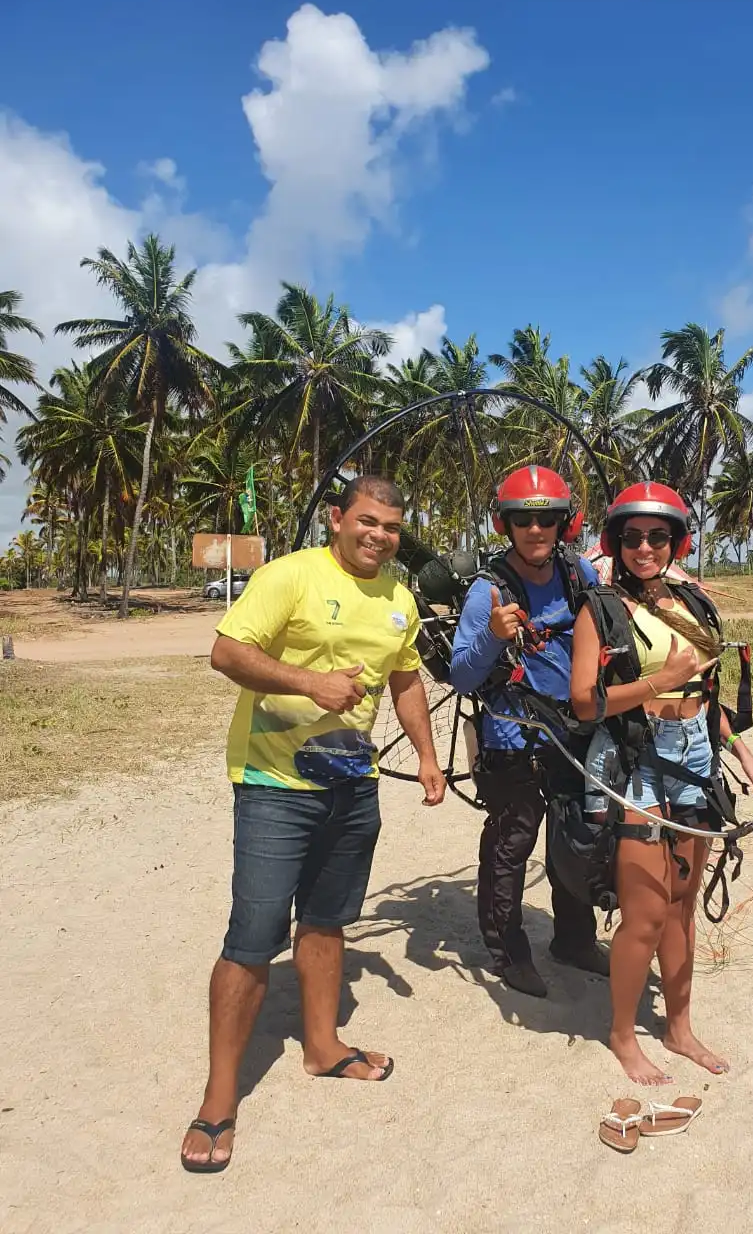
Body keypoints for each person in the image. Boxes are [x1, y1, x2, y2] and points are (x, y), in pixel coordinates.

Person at [180, 477, 446, 1174]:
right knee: (253, 935)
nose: (378, 535)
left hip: (352, 783)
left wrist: (426, 755)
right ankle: (217, 1099)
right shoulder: (289, 574)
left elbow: (406, 680)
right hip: (274, 784)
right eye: (367, 521)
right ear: (337, 519)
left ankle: (323, 1047)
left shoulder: (400, 598)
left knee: (327, 921)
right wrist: (308, 682)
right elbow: (227, 652)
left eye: (391, 526)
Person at [570, 482, 753, 1084]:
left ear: (675, 541)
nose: (644, 548)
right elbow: (585, 704)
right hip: (637, 758)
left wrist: (742, 750)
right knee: (645, 913)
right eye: (631, 538)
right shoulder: (600, 609)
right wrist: (661, 683)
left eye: (657, 537)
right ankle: (622, 1034)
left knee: (683, 907)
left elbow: (706, 696)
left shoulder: (695, 603)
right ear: (616, 543)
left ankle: (679, 1028)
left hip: (696, 755)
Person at [450, 466, 609, 997]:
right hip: (511, 738)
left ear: (566, 523)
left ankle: (573, 940)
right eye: (524, 520)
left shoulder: (578, 573)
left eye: (547, 519)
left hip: (570, 732)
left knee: (575, 837)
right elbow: (463, 674)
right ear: (505, 524)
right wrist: (495, 636)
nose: (536, 530)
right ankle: (509, 952)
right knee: (510, 843)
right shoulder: (487, 591)